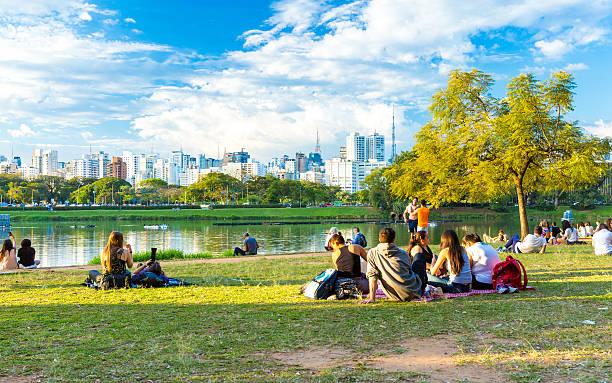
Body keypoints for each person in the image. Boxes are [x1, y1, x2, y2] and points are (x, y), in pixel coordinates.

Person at [359, 228, 422, 304]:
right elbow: (409, 270)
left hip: (394, 295)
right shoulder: (403, 253)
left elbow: (372, 276)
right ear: (394, 240)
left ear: (379, 239)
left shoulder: (372, 253)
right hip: (414, 291)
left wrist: (372, 298)